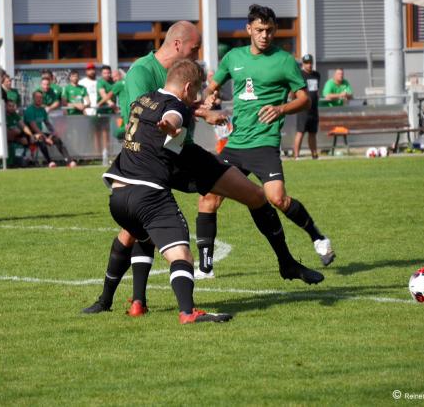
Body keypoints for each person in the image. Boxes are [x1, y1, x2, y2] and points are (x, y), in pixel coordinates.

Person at [83, 20, 324, 316]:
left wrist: (201, 111)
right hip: (153, 162)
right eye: (194, 49)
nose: (197, 55)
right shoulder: (142, 72)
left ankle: (286, 263)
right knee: (133, 228)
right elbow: (146, 113)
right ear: (177, 45)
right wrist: (186, 115)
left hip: (186, 154)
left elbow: (175, 104)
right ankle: (115, 300)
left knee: (255, 196)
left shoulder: (179, 76)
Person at [196, 5, 335, 280]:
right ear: (249, 30)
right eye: (259, 30)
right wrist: (210, 99)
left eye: (269, 30)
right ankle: (205, 267)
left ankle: (318, 238)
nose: (265, 35)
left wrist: (281, 109)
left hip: (264, 143)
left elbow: (303, 99)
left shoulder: (284, 61)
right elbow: (211, 87)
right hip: (235, 144)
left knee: (277, 198)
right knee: (208, 199)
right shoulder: (233, 57)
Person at [100, 60, 233, 324]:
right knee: (181, 253)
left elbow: (174, 110)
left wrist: (192, 111)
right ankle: (187, 312)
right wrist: (171, 127)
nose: (195, 97)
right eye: (194, 92)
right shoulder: (175, 109)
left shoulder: (143, 100)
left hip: (118, 195)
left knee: (142, 236)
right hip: (147, 194)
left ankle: (136, 303)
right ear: (186, 87)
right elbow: (173, 116)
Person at [24, 90, 77, 168]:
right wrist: (46, 138)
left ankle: (69, 161)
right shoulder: (30, 110)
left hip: (40, 133)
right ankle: (50, 162)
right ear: (33, 99)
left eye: (41, 98)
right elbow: (34, 127)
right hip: (30, 134)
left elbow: (47, 123)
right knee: (41, 139)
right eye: (37, 97)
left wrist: (53, 132)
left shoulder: (42, 109)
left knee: (57, 139)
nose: (39, 99)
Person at [293, 54, 321, 160]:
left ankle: (314, 155)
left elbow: (316, 91)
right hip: (303, 109)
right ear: (303, 64)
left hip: (314, 109)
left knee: (313, 133)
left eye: (310, 63)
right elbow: (294, 91)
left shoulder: (316, 75)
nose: (309, 65)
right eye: (306, 63)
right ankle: (296, 155)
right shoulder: (299, 75)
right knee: (300, 132)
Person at [111, 69, 128, 139]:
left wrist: (99, 104)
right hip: (122, 111)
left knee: (117, 132)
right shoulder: (128, 81)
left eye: (115, 77)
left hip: (124, 111)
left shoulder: (119, 84)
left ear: (120, 75)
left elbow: (109, 95)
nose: (114, 79)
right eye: (113, 78)